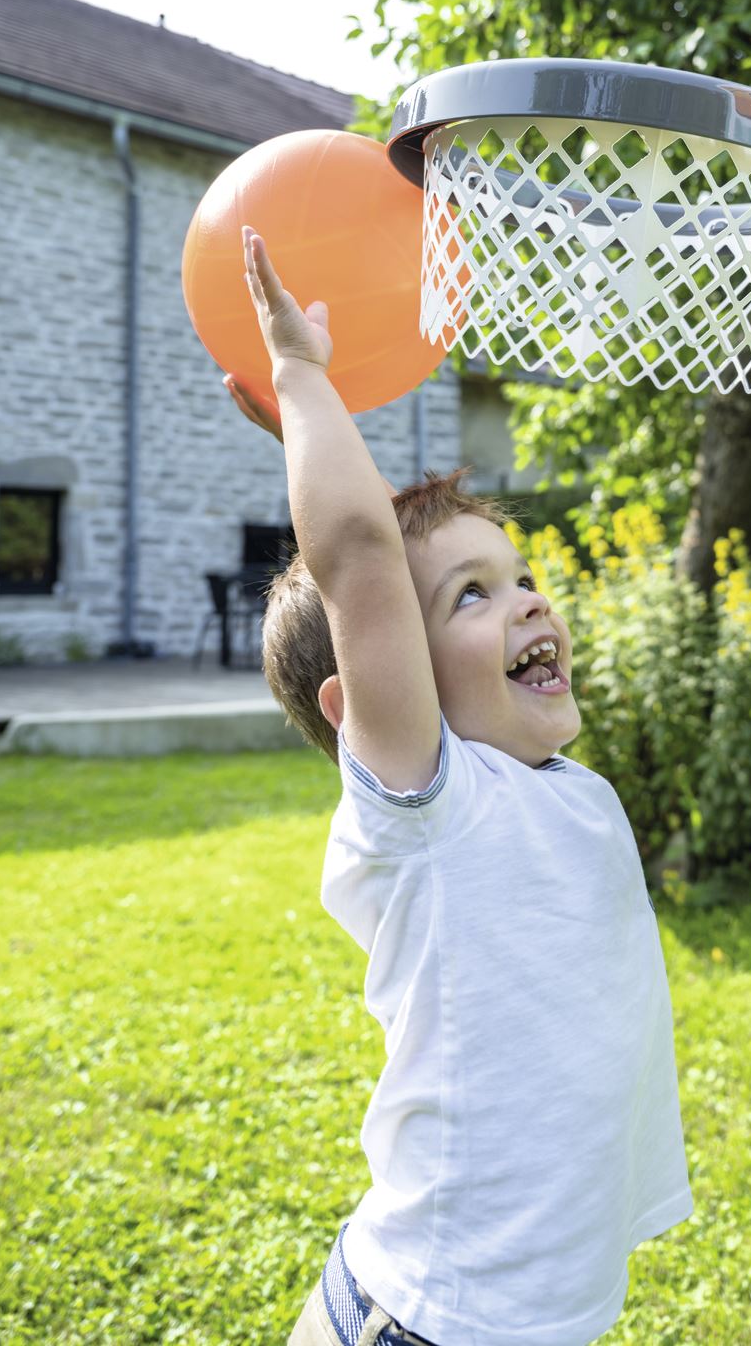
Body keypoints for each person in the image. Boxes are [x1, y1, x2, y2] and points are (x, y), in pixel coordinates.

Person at [234, 226, 692, 1346]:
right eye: (474, 599)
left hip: (532, 1310)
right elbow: (361, 560)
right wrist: (301, 379)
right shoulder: (432, 809)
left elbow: (391, 551)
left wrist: (323, 429)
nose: (531, 601)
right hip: (427, 1319)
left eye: (523, 576)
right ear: (371, 700)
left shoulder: (561, 792)